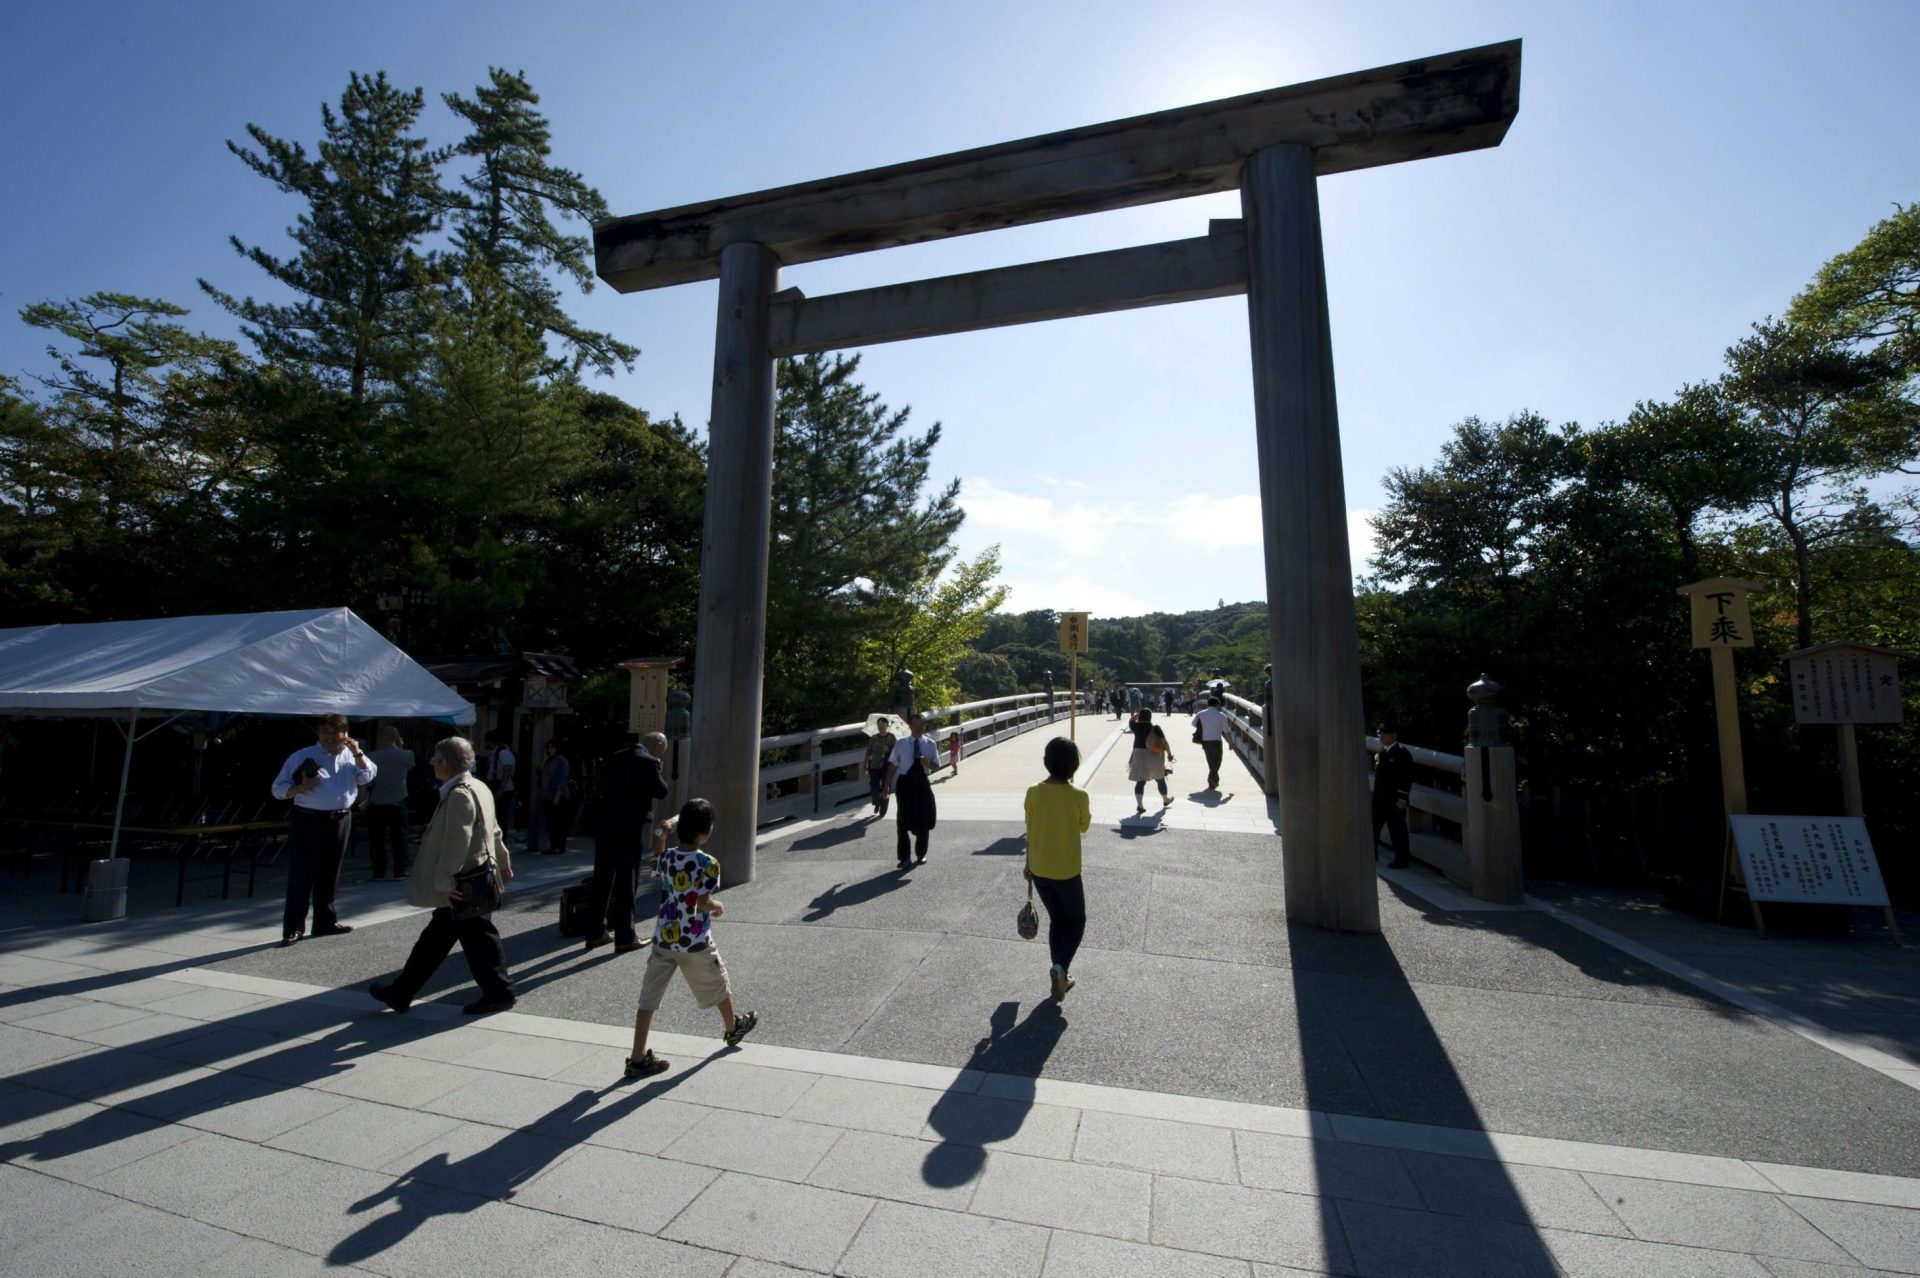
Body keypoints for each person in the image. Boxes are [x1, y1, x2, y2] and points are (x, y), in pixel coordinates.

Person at [368, 736, 517, 1016]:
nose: (432, 763)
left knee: (476, 938)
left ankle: (500, 992)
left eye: (435, 759)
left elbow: (456, 844)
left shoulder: (459, 794)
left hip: (464, 881)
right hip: (477, 876)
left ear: (445, 763)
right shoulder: (479, 786)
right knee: (438, 939)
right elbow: (494, 829)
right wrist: (503, 860)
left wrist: (445, 883)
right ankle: (401, 992)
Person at [625, 799, 758, 1077]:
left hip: (664, 937)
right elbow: (701, 902)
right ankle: (732, 1028)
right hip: (694, 940)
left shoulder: (668, 858)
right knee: (718, 982)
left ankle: (637, 1056)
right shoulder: (708, 863)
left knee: (648, 997)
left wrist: (663, 835)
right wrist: (717, 906)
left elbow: (656, 865)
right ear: (706, 831)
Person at [271, 714, 376, 947]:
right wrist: (301, 787)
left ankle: (325, 922)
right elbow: (278, 789)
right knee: (301, 874)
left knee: (330, 873)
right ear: (318, 733)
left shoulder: (352, 755)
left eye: (335, 732)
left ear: (345, 734)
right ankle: (294, 927)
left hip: (340, 819)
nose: (329, 737)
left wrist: (358, 753)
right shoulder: (302, 756)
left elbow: (367, 776)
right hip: (308, 819)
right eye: (324, 732)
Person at [585, 731, 670, 953]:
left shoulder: (616, 756)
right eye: (662, 750)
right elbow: (662, 791)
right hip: (629, 827)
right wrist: (658, 768)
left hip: (605, 824)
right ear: (658, 744)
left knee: (602, 878)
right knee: (627, 881)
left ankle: (595, 932)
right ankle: (625, 936)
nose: (661, 755)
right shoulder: (648, 761)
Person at [1025, 736, 1091, 1002]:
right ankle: (1060, 968)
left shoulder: (1033, 792)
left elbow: (1030, 829)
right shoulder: (1079, 795)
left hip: (1039, 868)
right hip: (1067, 870)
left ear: (1046, 762)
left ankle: (1059, 973)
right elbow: (1083, 825)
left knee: (1057, 920)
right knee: (1076, 921)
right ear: (1074, 765)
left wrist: (1027, 863)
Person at [883, 711, 941, 868]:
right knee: (902, 820)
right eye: (914, 725)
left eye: (920, 725)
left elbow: (937, 766)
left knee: (923, 819)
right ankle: (904, 858)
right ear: (910, 726)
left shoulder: (930, 744)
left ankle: (921, 853)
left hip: (922, 784)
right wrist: (886, 786)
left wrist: (927, 763)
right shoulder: (901, 743)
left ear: (924, 726)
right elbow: (893, 765)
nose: (917, 728)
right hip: (904, 784)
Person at [364, 725, 414, 881]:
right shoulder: (407, 755)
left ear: (381, 738)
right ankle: (400, 870)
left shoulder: (372, 757)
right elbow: (410, 766)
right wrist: (401, 747)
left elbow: (367, 780)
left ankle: (379, 870)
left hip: (377, 801)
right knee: (399, 837)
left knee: (376, 839)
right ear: (397, 738)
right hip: (398, 800)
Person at [1373, 720, 1415, 870]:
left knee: (1397, 831)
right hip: (1380, 799)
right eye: (1380, 734)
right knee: (1373, 829)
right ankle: (1372, 855)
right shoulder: (1382, 752)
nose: (1381, 737)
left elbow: (1406, 778)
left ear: (1394, 735)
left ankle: (1401, 861)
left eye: (1385, 734)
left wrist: (1403, 798)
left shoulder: (1402, 754)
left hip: (1394, 800)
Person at [1125, 708, 1174, 815]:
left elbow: (1131, 720)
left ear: (1140, 717)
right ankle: (1165, 799)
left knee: (1140, 781)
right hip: (1153, 755)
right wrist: (1170, 755)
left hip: (1138, 754)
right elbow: (1165, 743)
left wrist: (1137, 714)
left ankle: (1140, 805)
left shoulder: (1136, 727)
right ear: (1150, 717)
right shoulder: (1155, 728)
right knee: (1160, 779)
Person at [537, 739, 573, 856]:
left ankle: (559, 846)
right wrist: (545, 759)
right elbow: (539, 771)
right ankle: (553, 845)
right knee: (551, 822)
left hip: (557, 794)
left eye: (552, 747)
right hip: (546, 794)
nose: (550, 750)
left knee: (558, 821)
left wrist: (557, 794)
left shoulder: (562, 761)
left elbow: (563, 778)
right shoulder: (549, 761)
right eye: (548, 747)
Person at [1191, 696, 1230, 791]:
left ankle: (1213, 782)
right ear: (1217, 704)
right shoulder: (1221, 715)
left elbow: (1193, 723)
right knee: (1217, 762)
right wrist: (1231, 742)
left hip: (1205, 741)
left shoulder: (1201, 714)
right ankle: (1212, 780)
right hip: (1216, 741)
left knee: (1211, 762)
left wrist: (1202, 727)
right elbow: (1226, 731)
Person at [484, 730, 517, 838]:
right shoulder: (495, 753)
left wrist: (501, 789)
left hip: (503, 789)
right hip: (496, 786)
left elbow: (507, 769)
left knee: (501, 817)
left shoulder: (503, 753)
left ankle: (501, 839)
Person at [865, 718, 896, 817]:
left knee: (885, 788)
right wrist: (865, 764)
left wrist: (889, 749)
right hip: (874, 766)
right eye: (879, 724)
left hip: (887, 767)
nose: (880, 726)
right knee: (873, 787)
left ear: (887, 725)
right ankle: (877, 802)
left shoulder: (891, 737)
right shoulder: (873, 738)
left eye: (883, 724)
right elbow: (868, 752)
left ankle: (883, 809)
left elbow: (897, 751)